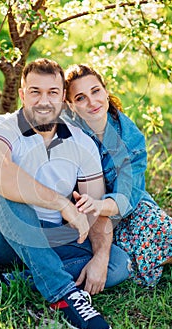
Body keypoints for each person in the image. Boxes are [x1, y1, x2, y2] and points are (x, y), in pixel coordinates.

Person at [0, 58, 131, 329]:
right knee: (6, 189)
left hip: (51, 239)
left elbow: (95, 209)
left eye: (52, 93)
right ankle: (63, 294)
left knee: (117, 263)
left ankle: (3, 282)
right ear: (22, 95)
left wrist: (101, 255)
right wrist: (62, 204)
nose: (44, 101)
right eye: (35, 92)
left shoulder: (81, 143)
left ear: (63, 100)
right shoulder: (3, 127)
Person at [63, 64, 172, 288]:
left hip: (119, 208)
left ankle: (145, 259)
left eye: (95, 91)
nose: (92, 102)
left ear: (105, 90)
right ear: (70, 104)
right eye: (81, 97)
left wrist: (97, 205)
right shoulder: (63, 130)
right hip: (79, 215)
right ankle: (138, 260)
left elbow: (126, 198)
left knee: (161, 229)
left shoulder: (130, 139)